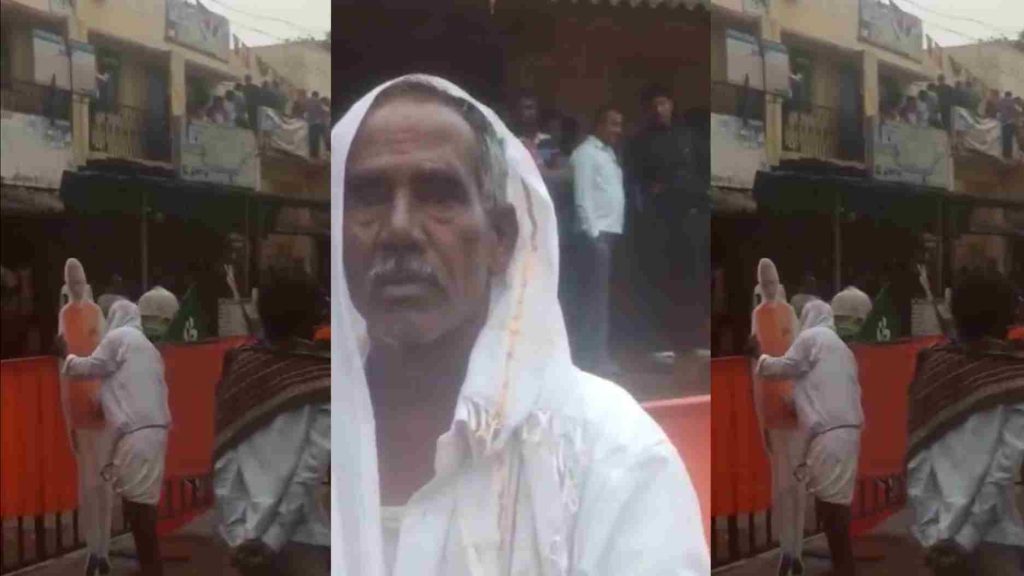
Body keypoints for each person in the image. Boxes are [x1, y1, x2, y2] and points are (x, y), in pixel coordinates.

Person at [333, 74, 708, 575]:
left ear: (501, 238)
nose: (398, 228)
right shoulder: (302, 448)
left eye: (438, 195)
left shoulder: (611, 457)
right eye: (370, 196)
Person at [906, 271, 1024, 576]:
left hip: (939, 539)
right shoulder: (1013, 377)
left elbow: (917, 458)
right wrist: (965, 538)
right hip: (997, 538)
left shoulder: (931, 368)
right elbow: (1004, 469)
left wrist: (931, 534)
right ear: (1007, 318)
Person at [214, 270, 330, 575]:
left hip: (243, 542)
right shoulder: (322, 376)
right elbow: (312, 468)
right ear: (312, 318)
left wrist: (239, 534)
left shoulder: (239, 367)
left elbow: (224, 458)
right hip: (303, 539)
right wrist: (273, 539)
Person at [62, 300, 172, 576]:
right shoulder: (147, 348)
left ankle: (152, 569)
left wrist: (67, 356)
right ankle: (151, 567)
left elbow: (93, 366)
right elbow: (123, 383)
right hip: (156, 433)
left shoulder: (119, 337)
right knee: (141, 507)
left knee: (139, 512)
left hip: (137, 435)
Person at [756, 300, 864, 576]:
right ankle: (843, 566)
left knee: (832, 511)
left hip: (829, 435)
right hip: (849, 433)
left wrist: (760, 358)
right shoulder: (842, 349)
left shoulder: (812, 337)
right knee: (834, 505)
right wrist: (795, 402)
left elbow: (787, 366)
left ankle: (845, 568)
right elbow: (819, 387)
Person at [626, 83, 707, 355]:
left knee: (691, 281)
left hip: (689, 219)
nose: (660, 110)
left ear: (672, 104)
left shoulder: (689, 136)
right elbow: (636, 181)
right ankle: (661, 343)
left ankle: (693, 340)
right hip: (659, 222)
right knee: (661, 282)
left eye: (664, 103)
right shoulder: (642, 140)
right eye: (654, 105)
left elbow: (702, 172)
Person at [750, 259, 807, 576]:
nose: (770, 288)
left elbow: (800, 360)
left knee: (796, 485)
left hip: (793, 411)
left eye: (773, 282)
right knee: (782, 487)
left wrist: (798, 399)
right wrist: (761, 419)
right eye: (765, 283)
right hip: (772, 412)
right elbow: (755, 369)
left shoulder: (789, 314)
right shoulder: (758, 317)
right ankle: (787, 550)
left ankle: (796, 551)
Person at [58, 259, 114, 576]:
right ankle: (93, 549)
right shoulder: (64, 317)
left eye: (80, 279)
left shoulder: (96, 314)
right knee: (87, 486)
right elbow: (62, 367)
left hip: (99, 411)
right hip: (78, 413)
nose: (77, 285)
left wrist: (106, 399)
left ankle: (103, 550)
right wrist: (67, 418)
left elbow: (107, 361)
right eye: (71, 280)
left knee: (102, 484)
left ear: (86, 281)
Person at [570, 105, 626, 376]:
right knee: (593, 300)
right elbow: (582, 197)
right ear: (600, 125)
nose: (618, 130)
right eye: (613, 124)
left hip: (608, 234)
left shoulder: (608, 154)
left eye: (620, 125)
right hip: (595, 235)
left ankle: (595, 355)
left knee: (599, 299)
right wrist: (593, 236)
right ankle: (592, 358)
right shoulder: (585, 154)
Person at [998, 91, 1019, 159]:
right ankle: (1009, 154)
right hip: (1011, 122)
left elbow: (999, 111)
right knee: (1010, 139)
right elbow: (1018, 111)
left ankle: (1005, 154)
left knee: (1004, 139)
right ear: (1010, 95)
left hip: (1004, 123)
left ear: (1005, 95)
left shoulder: (1002, 101)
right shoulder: (1013, 102)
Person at [306, 90, 327, 159]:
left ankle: (311, 154)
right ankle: (315, 155)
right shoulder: (318, 102)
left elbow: (306, 110)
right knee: (316, 139)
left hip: (310, 122)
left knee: (311, 138)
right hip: (317, 123)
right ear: (317, 95)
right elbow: (323, 111)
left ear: (312, 95)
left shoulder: (308, 101)